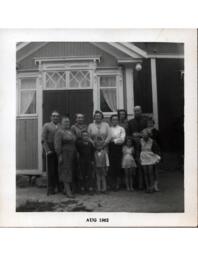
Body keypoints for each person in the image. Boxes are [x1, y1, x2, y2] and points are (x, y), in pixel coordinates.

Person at [54, 116, 76, 198]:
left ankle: (65, 189)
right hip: (64, 154)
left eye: (68, 121)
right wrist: (59, 155)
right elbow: (57, 145)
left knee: (71, 171)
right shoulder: (59, 132)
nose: (67, 123)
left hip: (72, 154)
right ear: (61, 123)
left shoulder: (71, 131)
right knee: (65, 171)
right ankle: (68, 191)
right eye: (65, 121)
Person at [127, 106, 148, 189]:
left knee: (144, 164)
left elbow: (149, 132)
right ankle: (137, 184)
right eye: (135, 111)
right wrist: (133, 139)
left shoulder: (146, 121)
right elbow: (128, 135)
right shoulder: (130, 122)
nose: (137, 112)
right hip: (134, 146)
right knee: (135, 165)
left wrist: (140, 135)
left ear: (141, 111)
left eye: (138, 110)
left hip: (145, 146)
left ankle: (145, 184)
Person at [41, 111, 60, 196]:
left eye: (57, 116)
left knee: (58, 169)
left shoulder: (60, 126)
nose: (55, 117)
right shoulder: (47, 125)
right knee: (51, 170)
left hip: (58, 149)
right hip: (50, 149)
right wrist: (47, 150)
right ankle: (50, 188)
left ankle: (58, 186)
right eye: (53, 116)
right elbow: (43, 139)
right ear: (51, 117)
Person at [108, 114, 126, 191]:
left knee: (118, 166)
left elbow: (122, 140)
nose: (114, 121)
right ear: (111, 121)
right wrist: (115, 140)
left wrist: (113, 140)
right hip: (110, 149)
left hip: (118, 149)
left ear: (118, 121)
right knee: (112, 166)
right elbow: (108, 138)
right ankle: (112, 184)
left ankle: (118, 184)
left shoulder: (121, 129)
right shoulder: (109, 129)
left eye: (116, 119)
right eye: (113, 119)